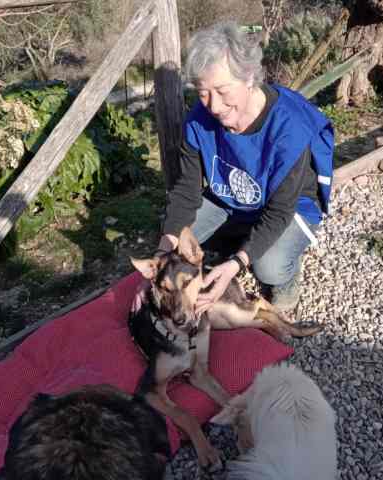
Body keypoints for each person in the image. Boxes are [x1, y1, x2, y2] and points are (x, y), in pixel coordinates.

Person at [140, 21, 334, 313]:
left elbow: (279, 211)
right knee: (176, 236)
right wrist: (162, 258)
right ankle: (240, 239)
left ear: (249, 78)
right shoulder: (198, 121)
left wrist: (235, 264)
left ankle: (287, 277)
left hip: (289, 209)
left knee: (267, 267)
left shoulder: (289, 128)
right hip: (232, 199)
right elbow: (185, 193)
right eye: (203, 92)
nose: (214, 106)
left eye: (222, 90)